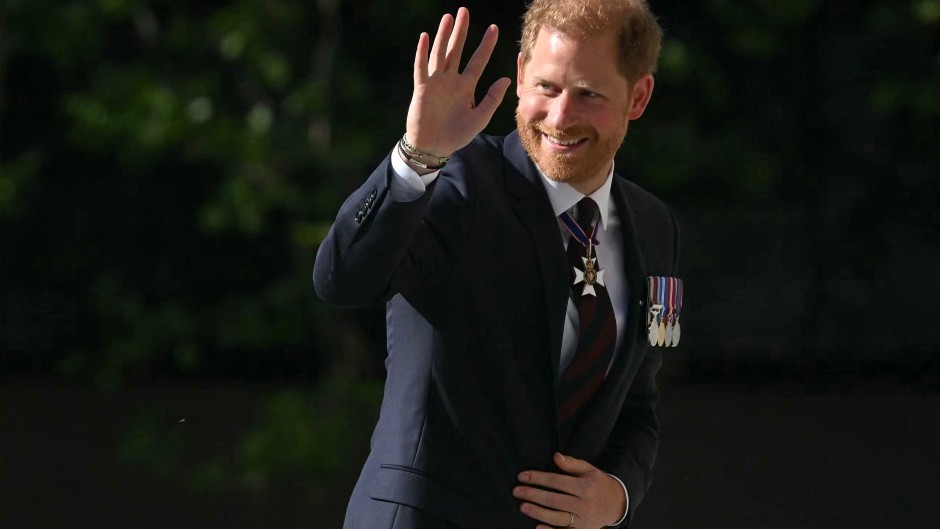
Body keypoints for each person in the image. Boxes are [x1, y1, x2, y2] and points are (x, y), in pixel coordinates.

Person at [314, 1, 680, 527]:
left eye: (588, 94)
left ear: (638, 96)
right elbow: (341, 280)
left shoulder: (654, 224)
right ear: (522, 72)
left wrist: (617, 494)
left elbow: (639, 404)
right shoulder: (455, 182)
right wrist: (417, 156)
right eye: (546, 88)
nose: (560, 117)